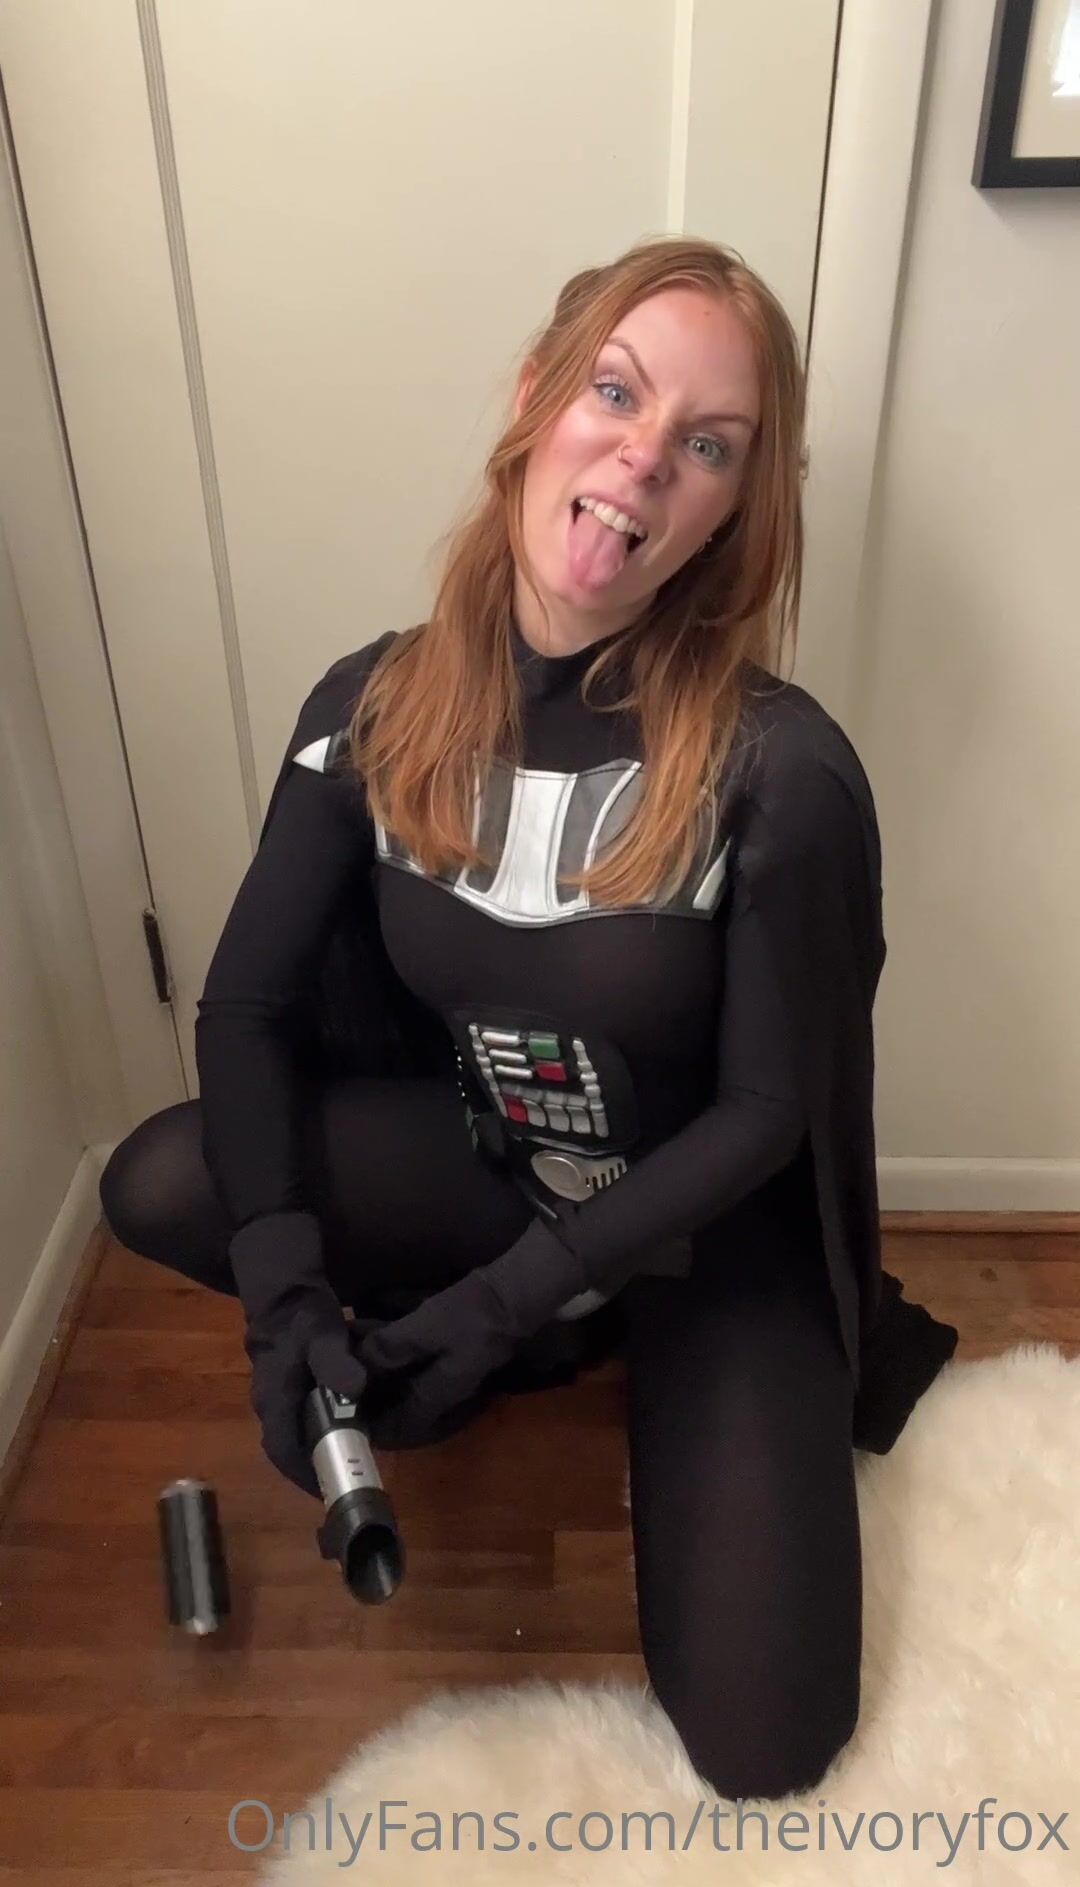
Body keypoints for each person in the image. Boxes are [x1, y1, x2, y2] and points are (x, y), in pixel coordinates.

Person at [99, 235, 958, 1802]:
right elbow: (248, 1004)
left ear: (730, 511)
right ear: (534, 400)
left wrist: (505, 1306)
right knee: (165, 1177)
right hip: (506, 1159)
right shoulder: (373, 703)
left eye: (709, 444)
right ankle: (552, 1329)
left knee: (766, 1746)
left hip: (707, 1232)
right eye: (616, 394)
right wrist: (285, 1303)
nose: (645, 458)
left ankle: (581, 1332)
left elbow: (769, 1119)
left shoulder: (783, 772)